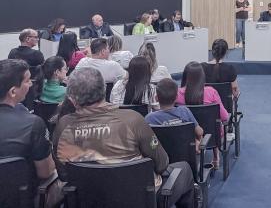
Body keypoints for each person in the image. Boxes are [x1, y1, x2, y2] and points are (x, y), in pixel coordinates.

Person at [53, 67, 195, 207]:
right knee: (184, 169)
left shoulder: (63, 126)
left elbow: (64, 175)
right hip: (139, 200)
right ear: (104, 90)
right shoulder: (133, 119)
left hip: (87, 201)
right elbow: (162, 163)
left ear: (72, 99)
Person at [0, 59, 62, 206]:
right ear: (13, 91)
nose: (31, 84)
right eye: (27, 81)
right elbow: (46, 172)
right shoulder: (33, 124)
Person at [176, 61, 229, 169]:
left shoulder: (177, 94)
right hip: (212, 136)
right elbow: (224, 117)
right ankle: (215, 157)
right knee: (214, 123)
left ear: (185, 76)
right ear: (202, 77)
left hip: (186, 136)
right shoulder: (211, 92)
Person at [145, 78, 204, 152]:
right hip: (186, 155)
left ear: (156, 98)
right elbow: (199, 132)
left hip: (163, 157)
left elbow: (150, 144)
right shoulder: (184, 111)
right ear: (176, 97)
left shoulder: (150, 118)